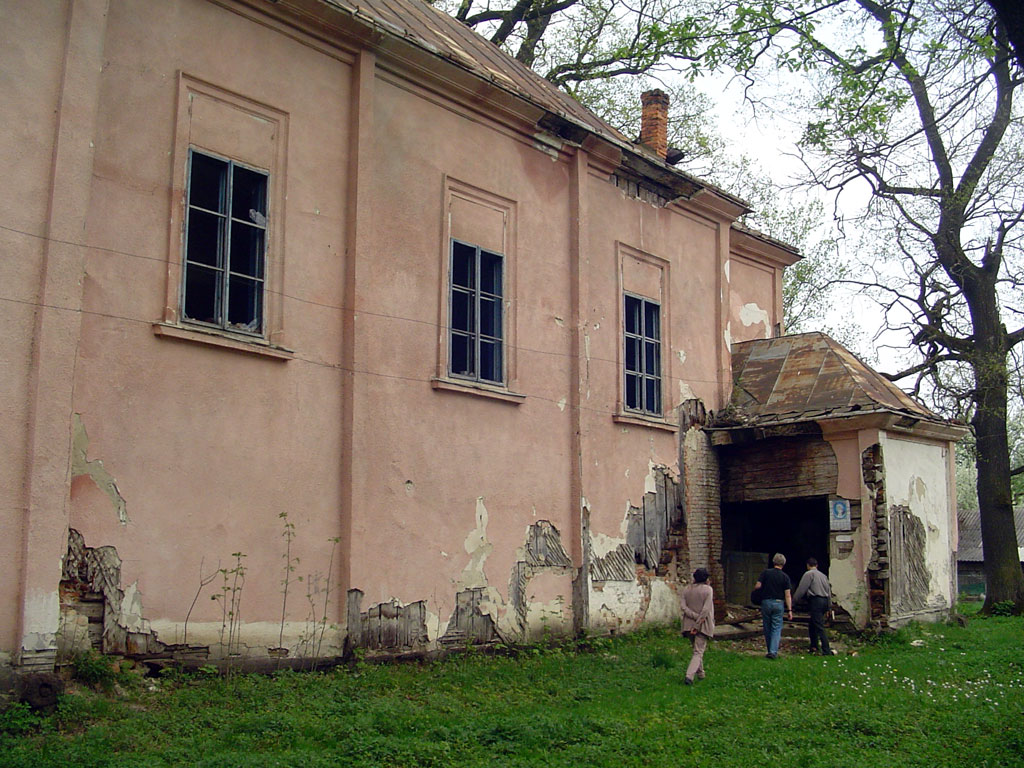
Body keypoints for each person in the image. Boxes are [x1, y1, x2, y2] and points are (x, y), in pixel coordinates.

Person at [680, 567, 715, 685]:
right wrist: (698, 621)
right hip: (702, 625)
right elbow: (706, 610)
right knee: (698, 652)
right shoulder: (708, 590)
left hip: (688, 625)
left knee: (696, 649)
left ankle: (701, 674)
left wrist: (693, 616)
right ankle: (689, 676)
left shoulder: (687, 589)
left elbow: (683, 607)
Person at [793, 557, 834, 655]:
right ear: (817, 565)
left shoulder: (809, 574)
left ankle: (826, 649)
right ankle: (814, 646)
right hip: (824, 600)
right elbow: (828, 591)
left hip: (816, 601)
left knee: (819, 625)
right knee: (812, 624)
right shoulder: (823, 576)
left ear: (808, 565)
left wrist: (793, 601)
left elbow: (802, 589)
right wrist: (829, 606)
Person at [754, 553, 792, 659]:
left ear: (773, 562)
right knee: (776, 627)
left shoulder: (766, 573)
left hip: (766, 602)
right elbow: (788, 595)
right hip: (779, 603)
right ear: (783, 564)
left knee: (767, 626)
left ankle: (769, 649)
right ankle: (773, 651)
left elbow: (758, 586)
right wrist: (789, 610)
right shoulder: (785, 577)